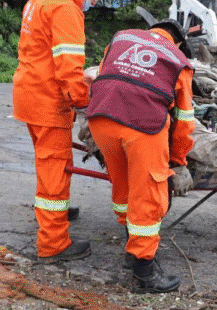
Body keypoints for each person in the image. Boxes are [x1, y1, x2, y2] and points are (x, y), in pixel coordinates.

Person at [12, 0, 114, 263]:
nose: (97, 0)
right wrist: (84, 102)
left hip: (30, 94)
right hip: (48, 101)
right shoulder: (66, 9)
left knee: (47, 165)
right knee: (54, 170)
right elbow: (69, 67)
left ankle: (54, 213)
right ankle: (54, 242)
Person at [86, 19, 195, 293]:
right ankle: (144, 273)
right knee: (147, 196)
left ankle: (130, 251)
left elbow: (102, 76)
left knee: (123, 188)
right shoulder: (179, 60)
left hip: (101, 120)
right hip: (143, 126)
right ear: (178, 42)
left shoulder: (121, 38)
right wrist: (178, 160)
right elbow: (184, 120)